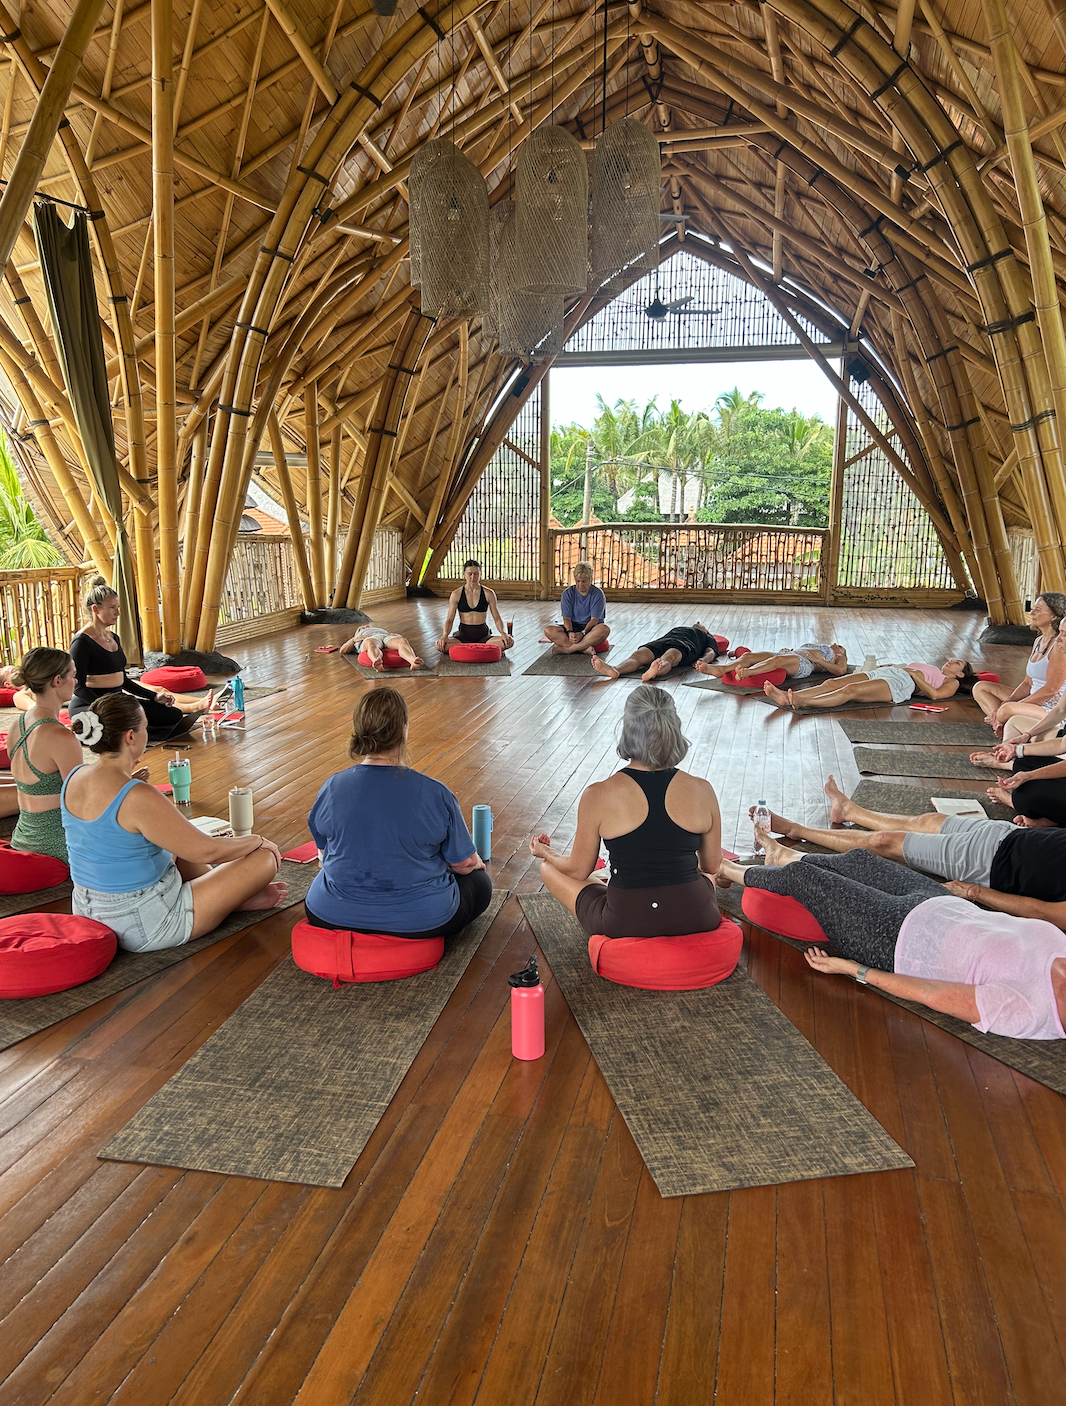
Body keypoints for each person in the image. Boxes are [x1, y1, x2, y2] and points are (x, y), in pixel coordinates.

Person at [717, 834, 1066, 1040]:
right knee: (860, 860)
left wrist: (854, 970)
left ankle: (726, 871)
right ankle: (783, 853)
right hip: (939, 902)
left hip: (894, 938)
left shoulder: (1028, 1010)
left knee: (801, 877)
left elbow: (931, 993)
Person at [61, 694, 286, 951]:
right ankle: (230, 900)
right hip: (143, 923)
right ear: (130, 737)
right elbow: (207, 851)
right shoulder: (137, 794)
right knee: (263, 858)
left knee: (177, 843)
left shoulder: (74, 777)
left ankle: (229, 898)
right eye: (145, 727)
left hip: (87, 910)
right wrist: (257, 841)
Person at [529, 684, 722, 936]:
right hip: (699, 918)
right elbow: (711, 865)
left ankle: (608, 880)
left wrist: (548, 853)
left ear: (628, 729)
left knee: (549, 868)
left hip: (624, 923)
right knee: (706, 879)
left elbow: (578, 870)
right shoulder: (703, 790)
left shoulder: (597, 794)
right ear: (673, 728)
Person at [305, 685, 493, 938]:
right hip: (421, 920)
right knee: (480, 882)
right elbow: (463, 864)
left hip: (330, 914)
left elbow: (323, 853)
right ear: (403, 730)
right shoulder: (435, 793)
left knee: (324, 878)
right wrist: (476, 862)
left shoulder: (332, 786)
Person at [753, 777, 1066, 915]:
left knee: (883, 843)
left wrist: (975, 893)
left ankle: (795, 833)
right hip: (1006, 834)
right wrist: (1041, 826)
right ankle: (850, 812)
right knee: (928, 820)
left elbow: (1046, 912)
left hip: (993, 864)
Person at [70, 577, 215, 744]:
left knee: (172, 715)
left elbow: (123, 680)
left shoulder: (113, 638)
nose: (117, 613)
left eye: (118, 607)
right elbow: (78, 686)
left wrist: (154, 697)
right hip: (91, 704)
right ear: (95, 609)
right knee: (111, 730)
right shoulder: (81, 643)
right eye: (112, 608)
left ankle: (133, 725)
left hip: (118, 702)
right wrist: (104, 706)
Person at [6, 648, 83, 861]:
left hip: (21, 839)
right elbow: (82, 800)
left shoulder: (17, 724)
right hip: (58, 846)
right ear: (57, 680)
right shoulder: (60, 737)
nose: (75, 682)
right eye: (73, 676)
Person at [971, 591, 1066, 740]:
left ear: (1054, 616)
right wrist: (1009, 701)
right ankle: (1001, 722)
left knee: (1006, 709)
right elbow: (1028, 682)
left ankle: (1003, 720)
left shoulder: (1060, 647)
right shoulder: (1038, 641)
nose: (1032, 612)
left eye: (1038, 610)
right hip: (1033, 698)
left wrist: (1015, 705)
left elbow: (1051, 690)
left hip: (1051, 708)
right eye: (1033, 608)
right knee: (980, 687)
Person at [763, 658, 975, 710]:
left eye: (957, 663)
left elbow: (935, 696)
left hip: (902, 684)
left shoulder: (950, 683)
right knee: (831, 682)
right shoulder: (934, 668)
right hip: (892, 673)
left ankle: (803, 702)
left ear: (960, 675)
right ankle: (787, 697)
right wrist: (892, 665)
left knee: (850, 691)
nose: (952, 661)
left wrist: (916, 676)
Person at [592, 621, 721, 683]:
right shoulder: (682, 628)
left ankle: (652, 673)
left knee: (669, 657)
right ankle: (616, 669)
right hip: (663, 641)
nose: (698, 623)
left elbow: (711, 653)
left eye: (701, 624)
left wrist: (703, 661)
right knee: (638, 655)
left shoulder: (707, 637)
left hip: (684, 646)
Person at [435, 560, 514, 654]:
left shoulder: (489, 593)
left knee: (509, 642)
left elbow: (497, 618)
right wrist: (445, 635)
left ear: (480, 574)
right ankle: (481, 649)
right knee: (439, 644)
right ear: (464, 574)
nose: (473, 577)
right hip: (463, 636)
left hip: (483, 636)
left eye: (476, 574)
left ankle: (469, 649)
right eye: (470, 574)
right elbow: (449, 620)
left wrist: (503, 633)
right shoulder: (456, 594)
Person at [544, 562, 610, 655]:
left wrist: (583, 633)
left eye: (584, 582)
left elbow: (594, 620)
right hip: (573, 627)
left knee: (604, 629)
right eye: (578, 581)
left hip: (590, 629)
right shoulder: (568, 593)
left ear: (591, 579)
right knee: (549, 630)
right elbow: (566, 618)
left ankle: (569, 649)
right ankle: (583, 649)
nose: (580, 585)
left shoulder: (598, 594)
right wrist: (570, 632)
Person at [695, 642, 848, 682]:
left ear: (841, 652)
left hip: (807, 664)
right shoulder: (822, 646)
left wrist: (818, 660)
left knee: (777, 660)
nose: (835, 644)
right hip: (793, 654)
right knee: (749, 656)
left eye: (839, 646)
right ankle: (722, 669)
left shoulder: (839, 657)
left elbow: (840, 671)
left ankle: (748, 672)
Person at [339, 624, 424, 669]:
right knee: (371, 643)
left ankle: (413, 661)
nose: (366, 626)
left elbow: (399, 638)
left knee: (402, 641)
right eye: (363, 627)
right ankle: (377, 661)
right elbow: (342, 650)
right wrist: (354, 640)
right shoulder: (358, 635)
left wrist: (396, 635)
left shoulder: (379, 630)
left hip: (385, 636)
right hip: (370, 638)